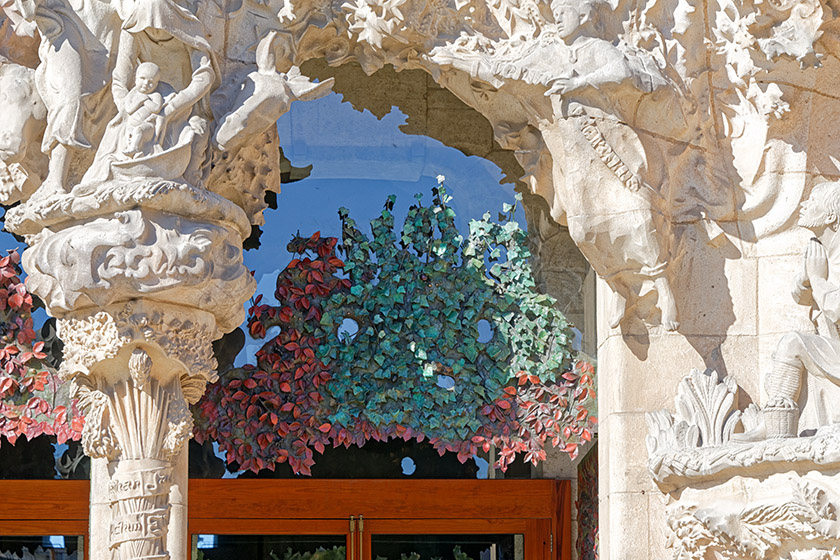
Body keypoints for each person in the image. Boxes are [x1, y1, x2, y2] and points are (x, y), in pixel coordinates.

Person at [757, 181, 840, 438]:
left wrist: (817, 280)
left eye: (812, 201)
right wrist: (807, 279)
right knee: (791, 344)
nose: (803, 205)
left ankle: (775, 428)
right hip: (832, 340)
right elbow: (800, 294)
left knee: (793, 343)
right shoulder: (820, 247)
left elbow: (836, 310)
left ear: (830, 215)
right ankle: (772, 424)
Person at [120, 62, 164, 158]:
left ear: (156, 85)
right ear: (135, 78)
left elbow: (156, 108)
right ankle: (136, 153)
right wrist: (139, 100)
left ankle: (134, 149)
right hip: (130, 126)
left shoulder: (155, 96)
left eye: (151, 82)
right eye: (143, 78)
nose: (146, 84)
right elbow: (129, 109)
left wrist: (146, 100)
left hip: (147, 127)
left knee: (139, 130)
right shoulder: (132, 94)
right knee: (128, 136)